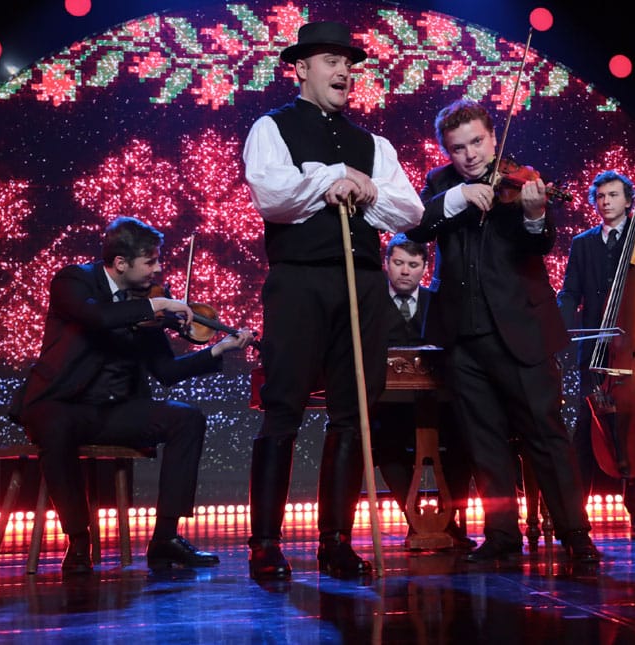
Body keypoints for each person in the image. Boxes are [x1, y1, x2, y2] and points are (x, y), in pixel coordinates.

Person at [242, 21, 423, 579]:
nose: (344, 71)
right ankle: (265, 543)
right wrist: (332, 177)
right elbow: (272, 195)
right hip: (299, 281)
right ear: (301, 69)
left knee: (354, 411)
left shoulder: (374, 144)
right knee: (284, 407)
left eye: (348, 63)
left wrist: (364, 188)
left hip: (362, 283)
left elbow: (408, 210)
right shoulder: (272, 127)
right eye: (331, 61)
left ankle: (336, 541)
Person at [406, 99, 599, 563]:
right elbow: (418, 226)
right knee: (482, 439)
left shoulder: (522, 181)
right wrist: (458, 197)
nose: (470, 155)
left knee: (545, 434)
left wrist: (534, 214)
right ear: (447, 151)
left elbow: (540, 242)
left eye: (476, 142)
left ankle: (574, 532)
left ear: (493, 138)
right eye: (458, 148)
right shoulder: (440, 184)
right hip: (461, 336)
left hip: (521, 330)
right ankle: (501, 536)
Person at [9, 216, 254, 574]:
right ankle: (79, 541)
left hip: (114, 411)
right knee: (56, 426)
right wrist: (158, 306)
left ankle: (166, 538)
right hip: (59, 402)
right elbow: (96, 316)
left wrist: (219, 349)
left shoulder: (148, 301)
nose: (158, 269)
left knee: (187, 418)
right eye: (150, 261)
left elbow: (166, 371)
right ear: (121, 263)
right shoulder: (73, 281)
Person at [557, 170, 635, 533]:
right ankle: (575, 515)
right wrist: (562, 326)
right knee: (587, 427)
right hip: (596, 349)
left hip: (633, 349)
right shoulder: (582, 243)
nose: (606, 201)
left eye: (613, 195)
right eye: (600, 196)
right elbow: (570, 291)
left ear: (629, 201)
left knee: (632, 426)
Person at [372, 233, 474, 550]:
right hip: (389, 404)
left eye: (413, 265)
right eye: (398, 263)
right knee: (385, 443)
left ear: (425, 268)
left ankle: (449, 519)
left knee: (464, 440)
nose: (405, 271)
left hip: (438, 402)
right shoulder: (370, 303)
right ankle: (414, 517)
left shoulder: (437, 302)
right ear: (386, 264)